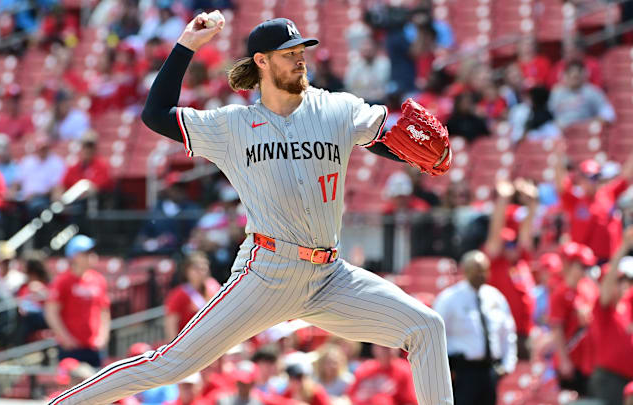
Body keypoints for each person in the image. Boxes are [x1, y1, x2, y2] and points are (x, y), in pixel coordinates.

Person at [49, 14, 452, 405]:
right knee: (171, 364)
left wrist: (418, 157)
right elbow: (156, 115)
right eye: (288, 52)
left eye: (302, 50)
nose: (300, 58)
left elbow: (389, 139)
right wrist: (187, 45)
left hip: (330, 276)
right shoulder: (232, 126)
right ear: (261, 61)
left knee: (427, 327)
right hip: (266, 274)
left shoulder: (337, 108)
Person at [434, 250, 517, 405]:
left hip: (490, 369)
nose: (480, 274)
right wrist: (444, 370)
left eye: (483, 269)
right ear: (465, 270)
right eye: (475, 269)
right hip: (462, 370)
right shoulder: (449, 299)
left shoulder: (495, 297)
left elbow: (508, 332)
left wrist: (508, 364)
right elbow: (436, 335)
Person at [483, 179, 538, 359]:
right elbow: (495, 236)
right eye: (508, 243)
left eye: (514, 242)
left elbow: (525, 234)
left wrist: (532, 203)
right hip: (501, 334)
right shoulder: (496, 262)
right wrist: (503, 200)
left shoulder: (521, 261)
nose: (512, 247)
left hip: (523, 334)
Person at [44, 235, 110, 368]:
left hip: (94, 347)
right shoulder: (63, 281)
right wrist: (65, 338)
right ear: (74, 256)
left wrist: (103, 337)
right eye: (86, 253)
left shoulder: (99, 280)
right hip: (71, 348)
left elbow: (104, 311)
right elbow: (51, 312)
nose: (91, 256)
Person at [555, 151, 633, 262]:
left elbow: (626, 177)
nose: (592, 182)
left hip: (608, 260)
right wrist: (558, 159)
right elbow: (561, 186)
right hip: (583, 262)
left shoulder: (608, 193)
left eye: (595, 177)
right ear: (580, 178)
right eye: (588, 177)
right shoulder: (576, 200)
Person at [588, 227, 633, 405]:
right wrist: (623, 246)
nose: (625, 285)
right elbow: (606, 290)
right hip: (609, 379)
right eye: (621, 280)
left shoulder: (629, 306)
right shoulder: (606, 307)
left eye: (629, 281)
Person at [549, 241, 598, 396]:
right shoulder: (560, 293)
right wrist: (563, 361)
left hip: (589, 360)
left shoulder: (589, 287)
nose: (584, 271)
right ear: (570, 265)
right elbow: (557, 330)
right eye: (581, 266)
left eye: (587, 267)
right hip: (570, 359)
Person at [164, 252, 221, 341]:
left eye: (203, 268)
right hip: (190, 342)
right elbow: (171, 323)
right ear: (187, 271)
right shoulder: (179, 294)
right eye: (196, 268)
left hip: (214, 338)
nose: (201, 272)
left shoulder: (214, 286)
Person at [548, 60, 615, 129]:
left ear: (583, 75)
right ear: (565, 75)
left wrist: (592, 122)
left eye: (576, 77)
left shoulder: (592, 92)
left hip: (584, 131)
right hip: (560, 132)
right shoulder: (557, 93)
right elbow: (549, 115)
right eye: (571, 76)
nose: (573, 80)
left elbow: (608, 115)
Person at [14, 134, 65, 216]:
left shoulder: (56, 163)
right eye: (40, 148)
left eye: (45, 148)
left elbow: (55, 187)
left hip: (44, 199)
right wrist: (12, 192)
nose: (42, 151)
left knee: (36, 207)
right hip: (24, 198)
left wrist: (35, 195)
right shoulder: (27, 161)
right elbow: (17, 181)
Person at [346, 345, 417, 405]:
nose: (385, 351)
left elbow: (411, 402)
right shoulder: (365, 368)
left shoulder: (404, 369)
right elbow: (350, 397)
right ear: (374, 348)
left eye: (389, 347)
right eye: (382, 347)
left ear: (397, 349)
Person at [344, 37, 391, 105]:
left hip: (379, 102)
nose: (367, 53)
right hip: (360, 102)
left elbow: (385, 85)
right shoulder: (355, 66)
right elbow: (349, 85)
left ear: (375, 49)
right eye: (365, 50)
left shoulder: (384, 64)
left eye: (369, 50)